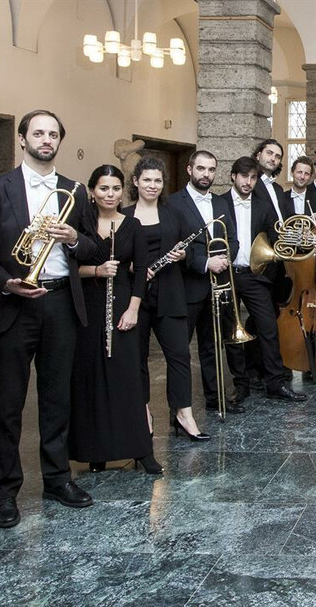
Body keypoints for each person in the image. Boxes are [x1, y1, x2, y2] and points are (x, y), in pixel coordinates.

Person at [0, 109, 102, 528]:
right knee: (9, 403)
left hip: (60, 303)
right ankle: (4, 491)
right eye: (38, 133)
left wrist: (74, 238)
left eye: (53, 134)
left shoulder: (74, 191)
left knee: (57, 398)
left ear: (59, 141)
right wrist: (6, 283)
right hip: (14, 303)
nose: (46, 139)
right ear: (22, 138)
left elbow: (94, 250)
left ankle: (56, 478)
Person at [70, 165, 161, 473]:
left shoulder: (132, 226)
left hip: (123, 303)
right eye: (104, 189)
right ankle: (97, 451)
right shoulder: (80, 224)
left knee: (128, 379)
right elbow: (68, 269)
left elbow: (140, 274)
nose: (110, 194)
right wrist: (96, 270)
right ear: (92, 192)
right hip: (88, 307)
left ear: (124, 191)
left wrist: (133, 309)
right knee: (92, 378)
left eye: (115, 189)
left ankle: (141, 450)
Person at [125, 157, 211, 442]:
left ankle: (183, 414)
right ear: (136, 182)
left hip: (171, 293)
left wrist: (183, 254)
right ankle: (143, 413)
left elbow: (193, 248)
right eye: (147, 180)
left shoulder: (174, 213)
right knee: (137, 358)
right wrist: (133, 268)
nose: (152, 185)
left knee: (179, 356)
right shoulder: (124, 215)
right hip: (135, 296)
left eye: (157, 180)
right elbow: (113, 253)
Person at [217, 156, 306, 402]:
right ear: (233, 176)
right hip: (226, 275)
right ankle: (241, 384)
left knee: (268, 327)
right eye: (244, 176)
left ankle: (275, 383)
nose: (248, 182)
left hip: (254, 276)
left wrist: (303, 242)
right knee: (232, 332)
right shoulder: (219, 204)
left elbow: (277, 239)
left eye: (253, 177)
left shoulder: (263, 207)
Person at [168, 150, 241, 415]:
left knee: (211, 347)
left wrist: (225, 258)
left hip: (217, 285)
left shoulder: (221, 203)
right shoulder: (174, 203)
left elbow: (232, 238)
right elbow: (173, 246)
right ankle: (181, 408)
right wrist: (203, 263)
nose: (206, 175)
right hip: (188, 287)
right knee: (180, 352)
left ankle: (215, 399)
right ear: (189, 170)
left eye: (211, 170)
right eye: (201, 169)